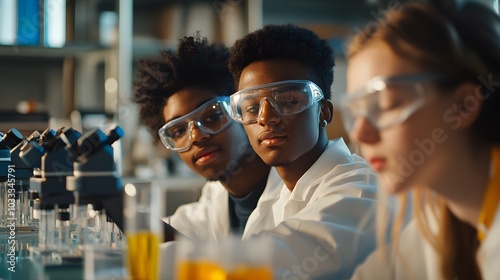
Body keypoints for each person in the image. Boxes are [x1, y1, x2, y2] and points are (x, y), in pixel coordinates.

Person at [339, 1, 500, 279]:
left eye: (387, 104)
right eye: (356, 113)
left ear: (463, 105)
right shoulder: (437, 218)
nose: (360, 134)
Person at [225, 24, 378, 279]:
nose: (266, 119)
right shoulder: (273, 198)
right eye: (251, 108)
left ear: (324, 112)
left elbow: (275, 260)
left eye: (288, 101)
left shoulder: (361, 188)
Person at [132, 35, 282, 242]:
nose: (196, 137)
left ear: (244, 110)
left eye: (212, 116)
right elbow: (159, 240)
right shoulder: (214, 197)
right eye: (178, 131)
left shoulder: (293, 189)